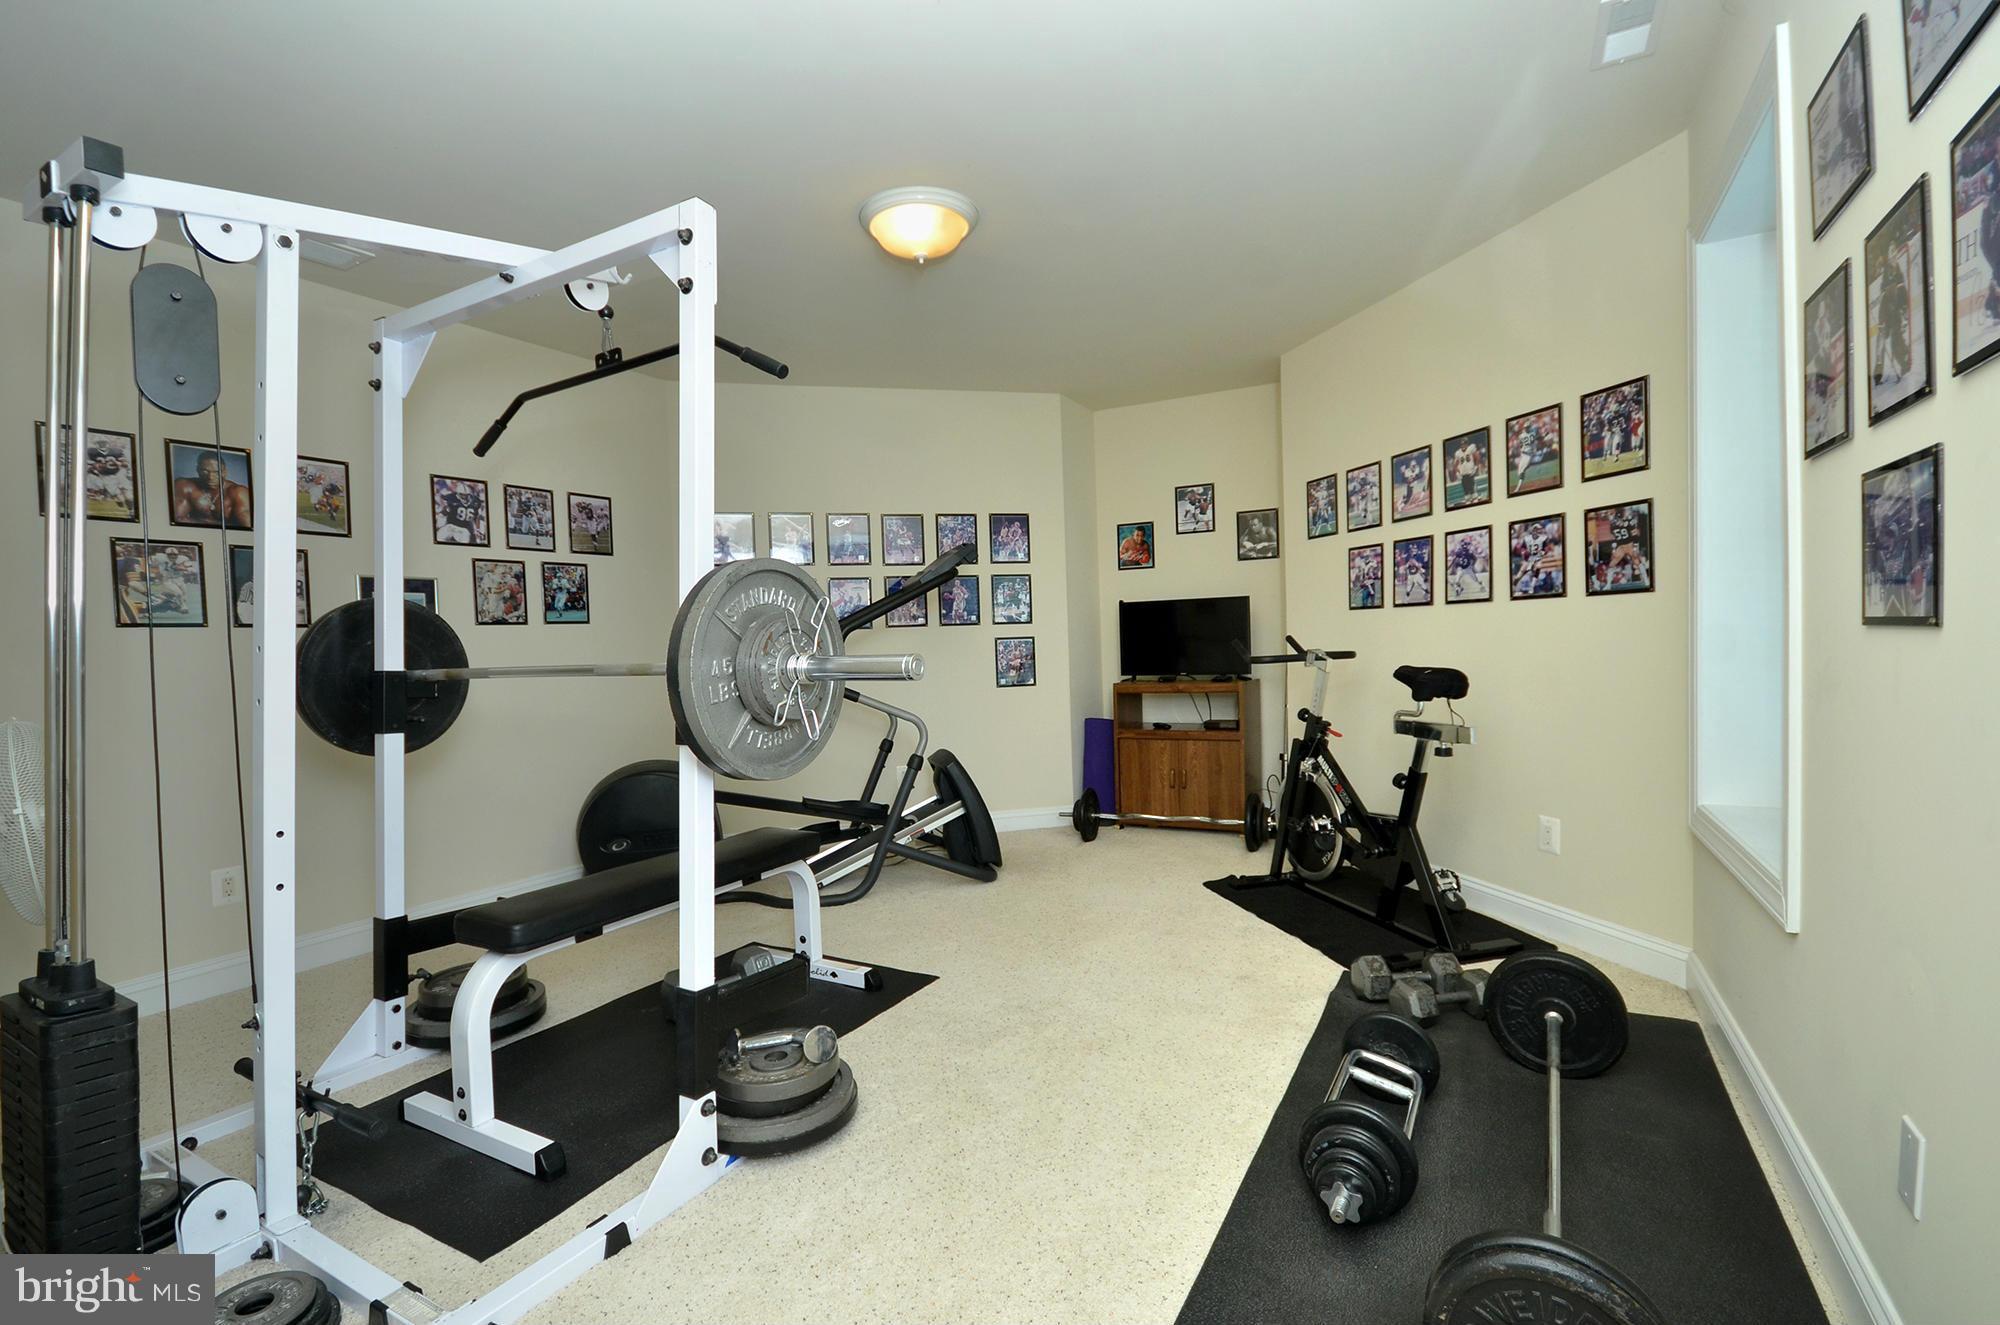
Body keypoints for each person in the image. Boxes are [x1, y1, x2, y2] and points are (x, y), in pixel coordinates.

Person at [172, 451, 253, 528]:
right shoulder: (184, 486)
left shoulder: (238, 493)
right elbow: (178, 521)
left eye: (216, 472)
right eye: (205, 471)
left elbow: (248, 530)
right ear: (198, 470)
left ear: (224, 472)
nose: (210, 477)